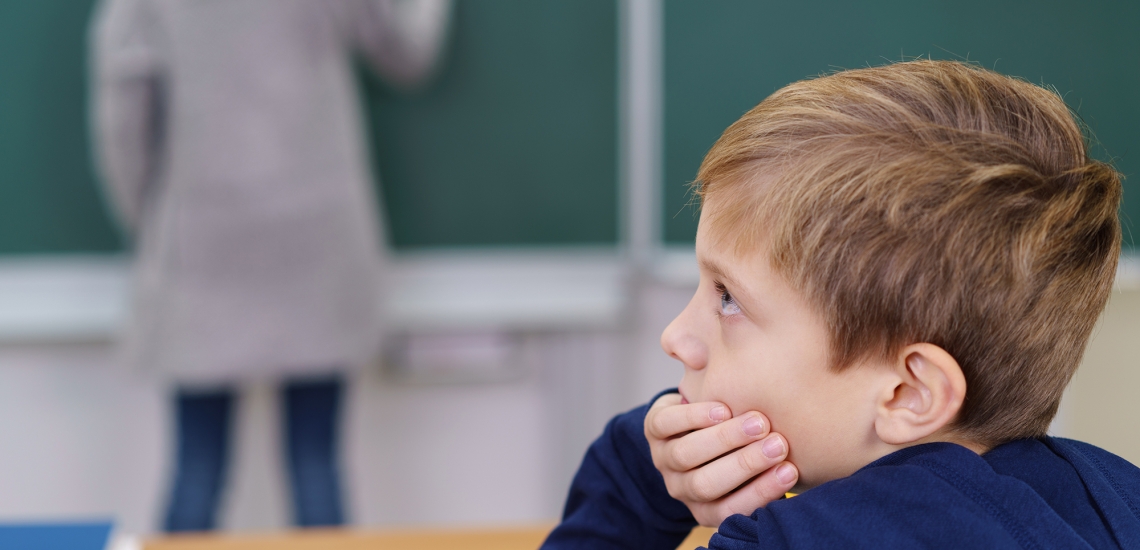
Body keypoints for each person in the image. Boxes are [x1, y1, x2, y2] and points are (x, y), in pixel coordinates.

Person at [543, 60, 1140, 549]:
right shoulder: (1120, 496)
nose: (677, 335)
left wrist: (643, 478)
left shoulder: (793, 542)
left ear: (908, 394)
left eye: (729, 299)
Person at [89, 0, 451, 531]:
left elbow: (123, 109)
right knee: (315, 461)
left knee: (197, 465)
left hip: (202, 237)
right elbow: (408, 50)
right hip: (317, 233)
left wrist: (148, 216)